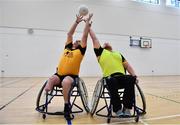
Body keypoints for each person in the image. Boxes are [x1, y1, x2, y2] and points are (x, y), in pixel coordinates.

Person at [44, 13, 93, 120]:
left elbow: (84, 36)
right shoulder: (67, 48)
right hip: (59, 75)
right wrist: (76, 22)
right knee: (51, 80)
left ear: (81, 45)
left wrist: (87, 23)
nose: (76, 41)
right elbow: (69, 34)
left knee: (65, 82)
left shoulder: (80, 51)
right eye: (76, 40)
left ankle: (66, 105)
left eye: (78, 41)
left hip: (71, 77)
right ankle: (47, 97)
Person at [89, 28, 137, 117]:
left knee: (131, 78)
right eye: (104, 44)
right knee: (112, 81)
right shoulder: (100, 53)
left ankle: (127, 107)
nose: (106, 43)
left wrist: (134, 76)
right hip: (110, 78)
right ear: (102, 48)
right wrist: (88, 27)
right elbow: (94, 38)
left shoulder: (118, 54)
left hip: (122, 77)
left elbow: (128, 66)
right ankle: (117, 108)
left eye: (108, 43)